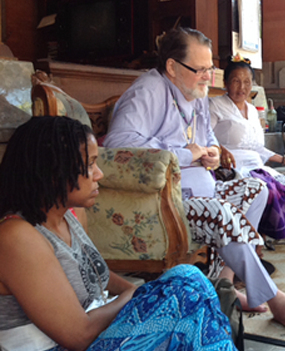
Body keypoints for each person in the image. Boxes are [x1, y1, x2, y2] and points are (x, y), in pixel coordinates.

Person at [104, 27, 285, 334]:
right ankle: (274, 297)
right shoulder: (148, 91)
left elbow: (207, 139)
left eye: (211, 69)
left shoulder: (194, 92)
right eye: (201, 69)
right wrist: (184, 154)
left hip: (202, 188)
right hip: (166, 202)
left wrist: (212, 154)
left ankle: (223, 282)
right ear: (171, 67)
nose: (208, 77)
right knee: (220, 213)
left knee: (255, 189)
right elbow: (117, 145)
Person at [0, 116, 236, 350]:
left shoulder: (68, 217)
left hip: (95, 333)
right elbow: (78, 336)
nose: (99, 174)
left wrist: (131, 289)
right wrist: (135, 295)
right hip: (64, 346)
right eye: (90, 164)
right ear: (52, 170)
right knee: (184, 289)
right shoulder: (17, 236)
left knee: (188, 278)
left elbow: (95, 272)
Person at [209, 55, 285, 241]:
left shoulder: (253, 111)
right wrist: (220, 149)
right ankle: (250, 242)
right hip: (232, 167)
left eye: (247, 82)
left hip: (256, 165)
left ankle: (258, 239)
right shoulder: (215, 105)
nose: (242, 87)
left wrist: (282, 159)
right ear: (225, 82)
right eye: (236, 81)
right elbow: (204, 136)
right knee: (266, 191)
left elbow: (257, 148)